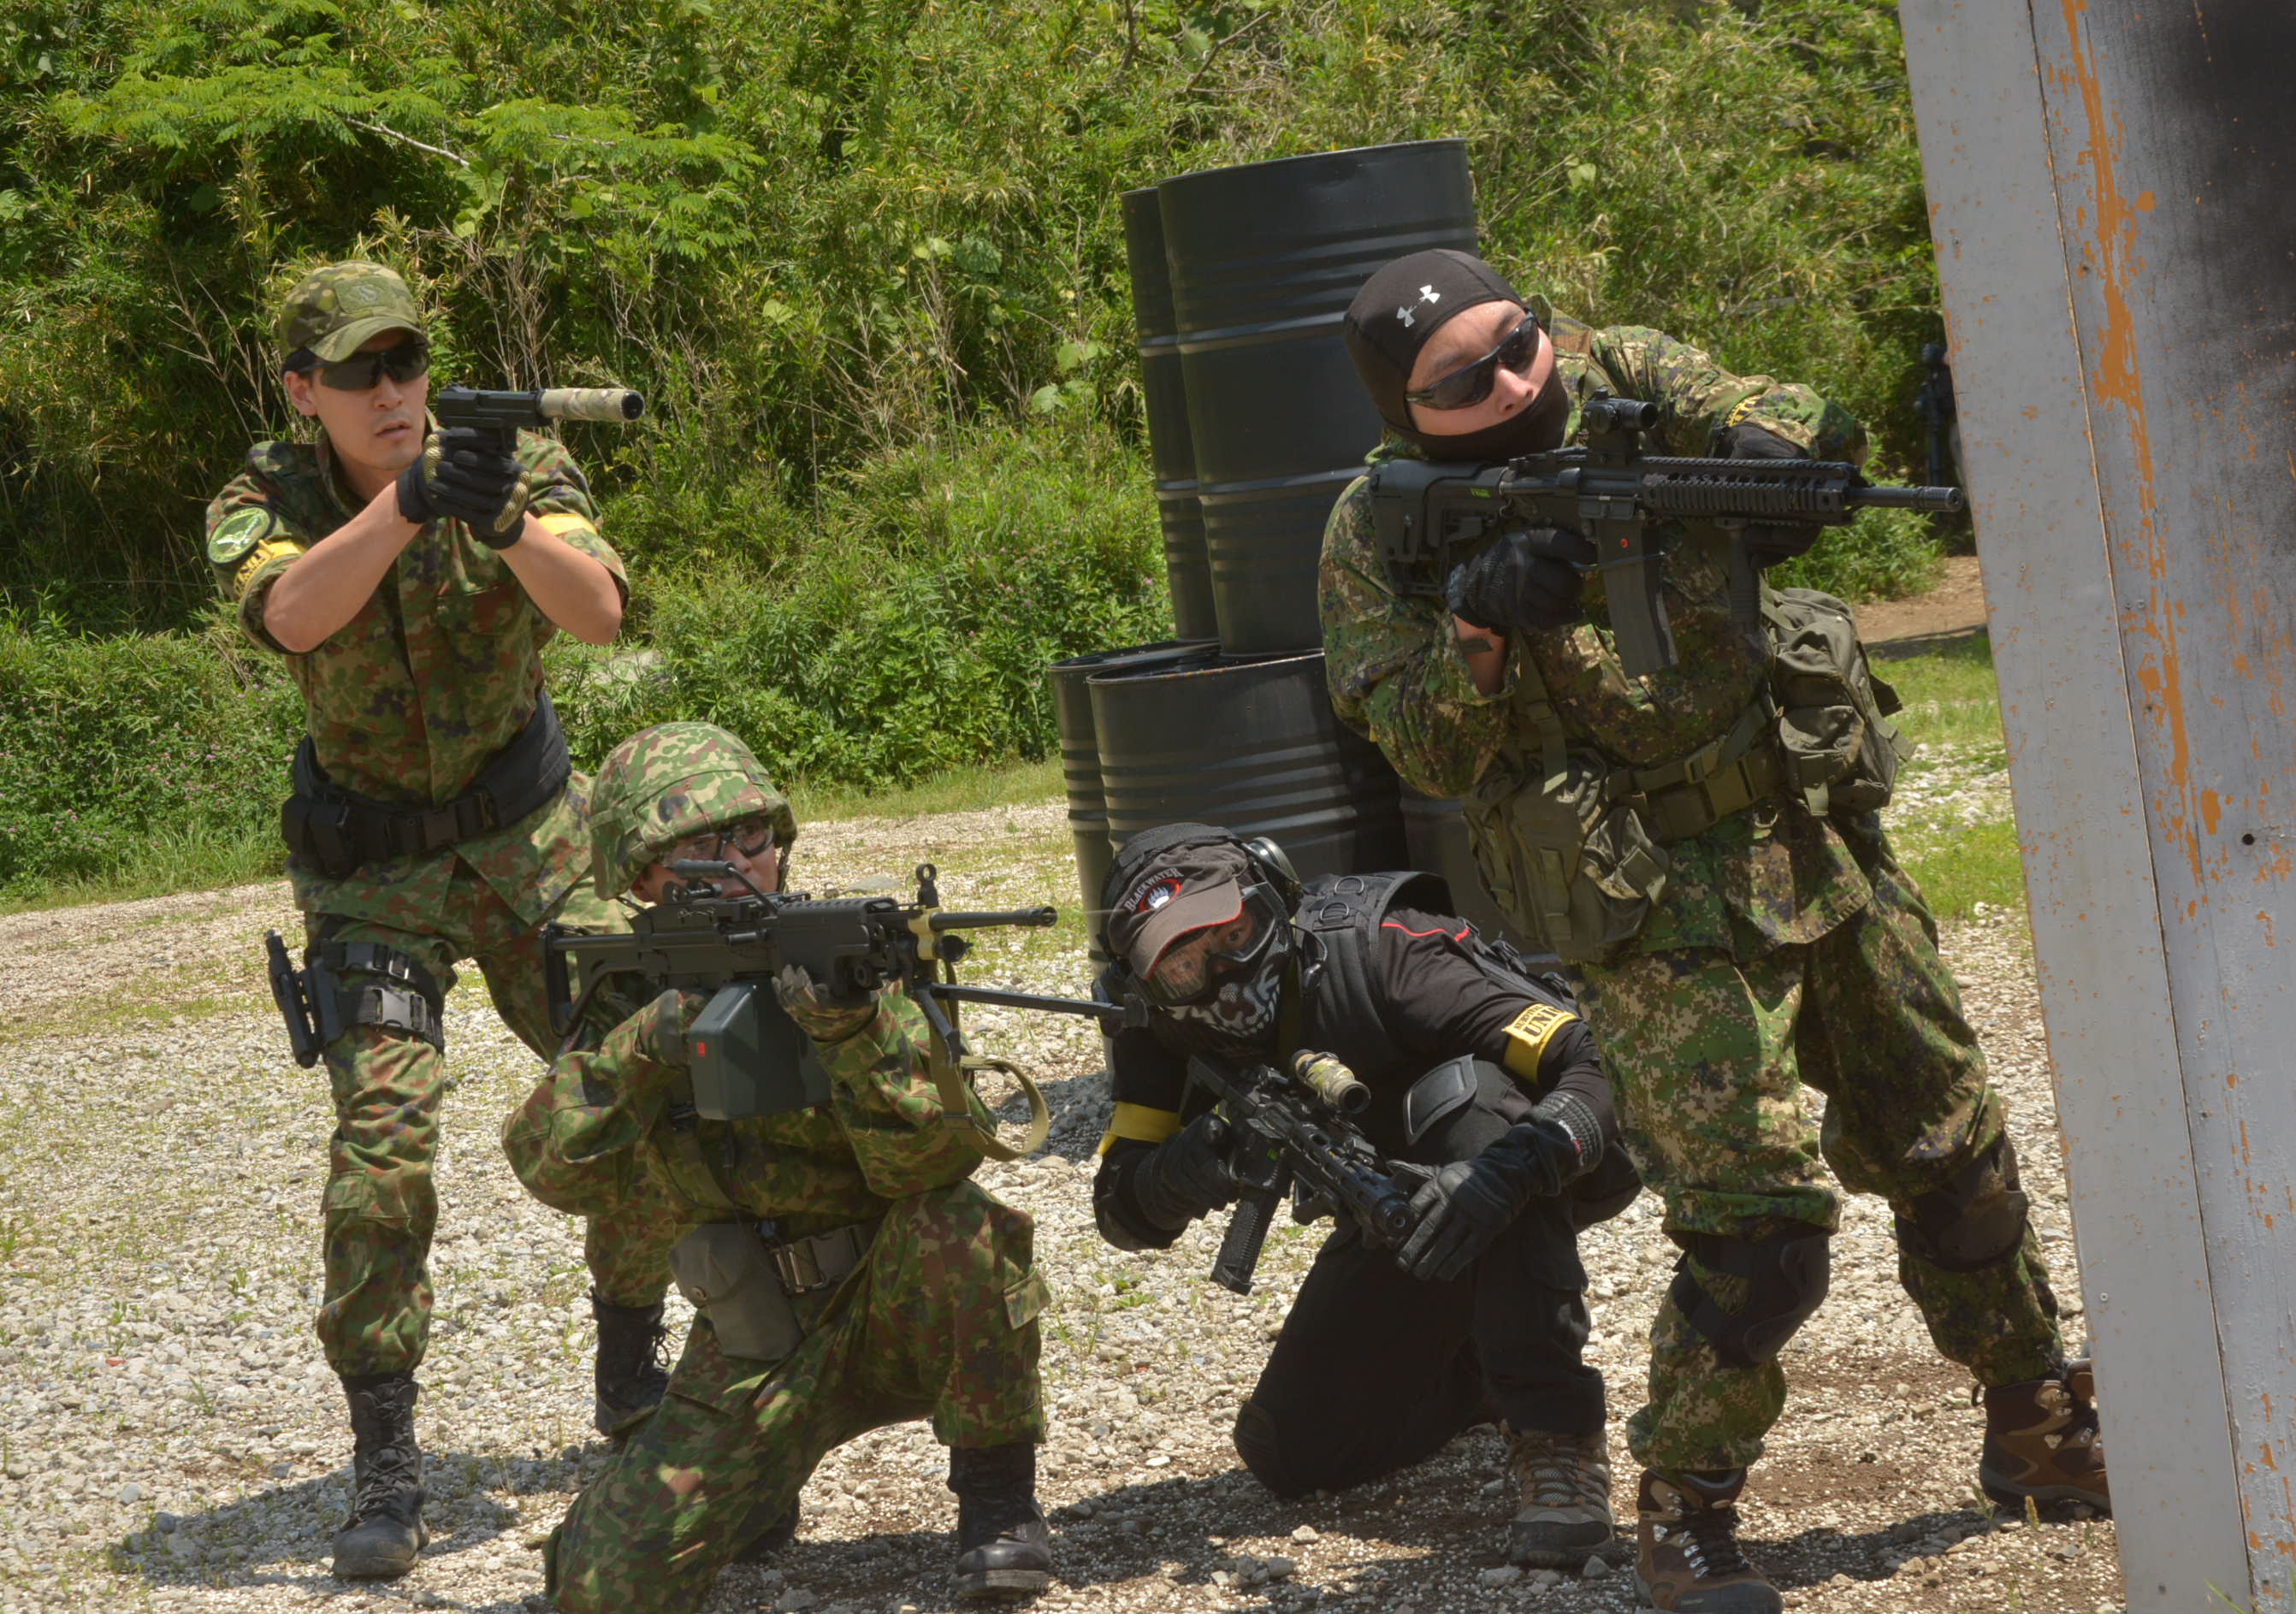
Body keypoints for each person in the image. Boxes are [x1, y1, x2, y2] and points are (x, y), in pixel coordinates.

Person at [1315, 250, 2106, 1614]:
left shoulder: (1621, 372)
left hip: (1806, 836)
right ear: (1403, 410)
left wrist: (1769, 457)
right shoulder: (1370, 532)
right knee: (1759, 1227)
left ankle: (2036, 1419)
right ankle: (1685, 1506)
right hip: (1644, 898)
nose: (1514, 380)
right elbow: (1420, 748)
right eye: (1464, 379)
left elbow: (1791, 412)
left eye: (1520, 341)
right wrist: (1482, 628)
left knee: (1952, 1143)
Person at [204, 260, 683, 1578]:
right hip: (371, 874)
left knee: (641, 1082)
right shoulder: (265, 496)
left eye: (404, 363)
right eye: (357, 372)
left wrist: (508, 521)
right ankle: (388, 1462)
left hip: (532, 847)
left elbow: (601, 613)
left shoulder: (513, 460)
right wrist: (405, 508)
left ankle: (631, 1367)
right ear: (304, 392)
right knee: (384, 1156)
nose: (390, 390)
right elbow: (292, 617)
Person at [505, 723, 1053, 1611]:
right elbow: (552, 1168)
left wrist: (852, 1033)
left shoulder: (847, 960)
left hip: (894, 1304)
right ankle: (761, 1484)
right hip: (755, 1331)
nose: (739, 864)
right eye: (701, 849)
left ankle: (998, 1498)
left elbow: (934, 1157)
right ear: (639, 877)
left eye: (754, 837)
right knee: (600, 1585)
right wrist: (648, 1045)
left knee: (961, 1223)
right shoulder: (628, 993)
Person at [1088, 822, 1643, 1569]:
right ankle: (1478, 1365)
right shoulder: (1157, 1026)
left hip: (1535, 1168)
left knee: (1471, 1105)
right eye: (1183, 966)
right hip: (1394, 1213)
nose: (1219, 973)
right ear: (1145, 981)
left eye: (1233, 935)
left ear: (1273, 895)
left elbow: (1604, 1064)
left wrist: (1511, 1172)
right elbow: (1120, 1211)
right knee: (1294, 1453)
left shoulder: (1386, 949)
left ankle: (1558, 1440)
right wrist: (1194, 1163)